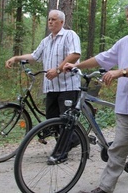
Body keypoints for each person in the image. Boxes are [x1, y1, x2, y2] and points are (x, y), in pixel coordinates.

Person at [64, 0, 128, 193]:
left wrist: (121, 72)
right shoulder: (123, 43)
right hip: (126, 107)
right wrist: (77, 65)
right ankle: (105, 188)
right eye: (127, 15)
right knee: (117, 149)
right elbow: (103, 58)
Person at [5, 9, 81, 163]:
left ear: (61, 22)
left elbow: (75, 54)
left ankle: (61, 153)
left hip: (68, 86)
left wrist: (58, 70)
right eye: (49, 20)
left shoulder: (69, 35)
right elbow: (34, 56)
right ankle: (74, 139)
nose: (50, 22)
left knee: (65, 121)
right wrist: (16, 57)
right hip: (51, 86)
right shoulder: (46, 41)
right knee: (52, 120)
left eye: (54, 19)